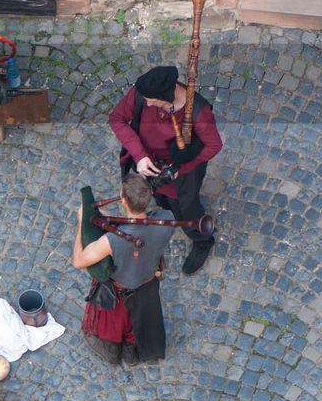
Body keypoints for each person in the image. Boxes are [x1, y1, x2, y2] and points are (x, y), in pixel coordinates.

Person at [109, 65, 222, 274]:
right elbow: (117, 119)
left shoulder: (198, 111)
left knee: (185, 209)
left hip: (180, 171)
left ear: (166, 97)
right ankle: (167, 211)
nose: (147, 103)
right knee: (161, 201)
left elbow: (214, 145)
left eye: (152, 100)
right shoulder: (143, 93)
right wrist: (140, 155)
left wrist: (182, 167)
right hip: (148, 165)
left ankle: (202, 240)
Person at [72, 173, 173, 364]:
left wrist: (81, 223)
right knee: (137, 323)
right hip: (147, 283)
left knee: (112, 323)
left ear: (124, 200)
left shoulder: (112, 241)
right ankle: (130, 349)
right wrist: (108, 219)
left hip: (119, 290)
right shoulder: (166, 218)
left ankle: (112, 348)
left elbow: (79, 261)